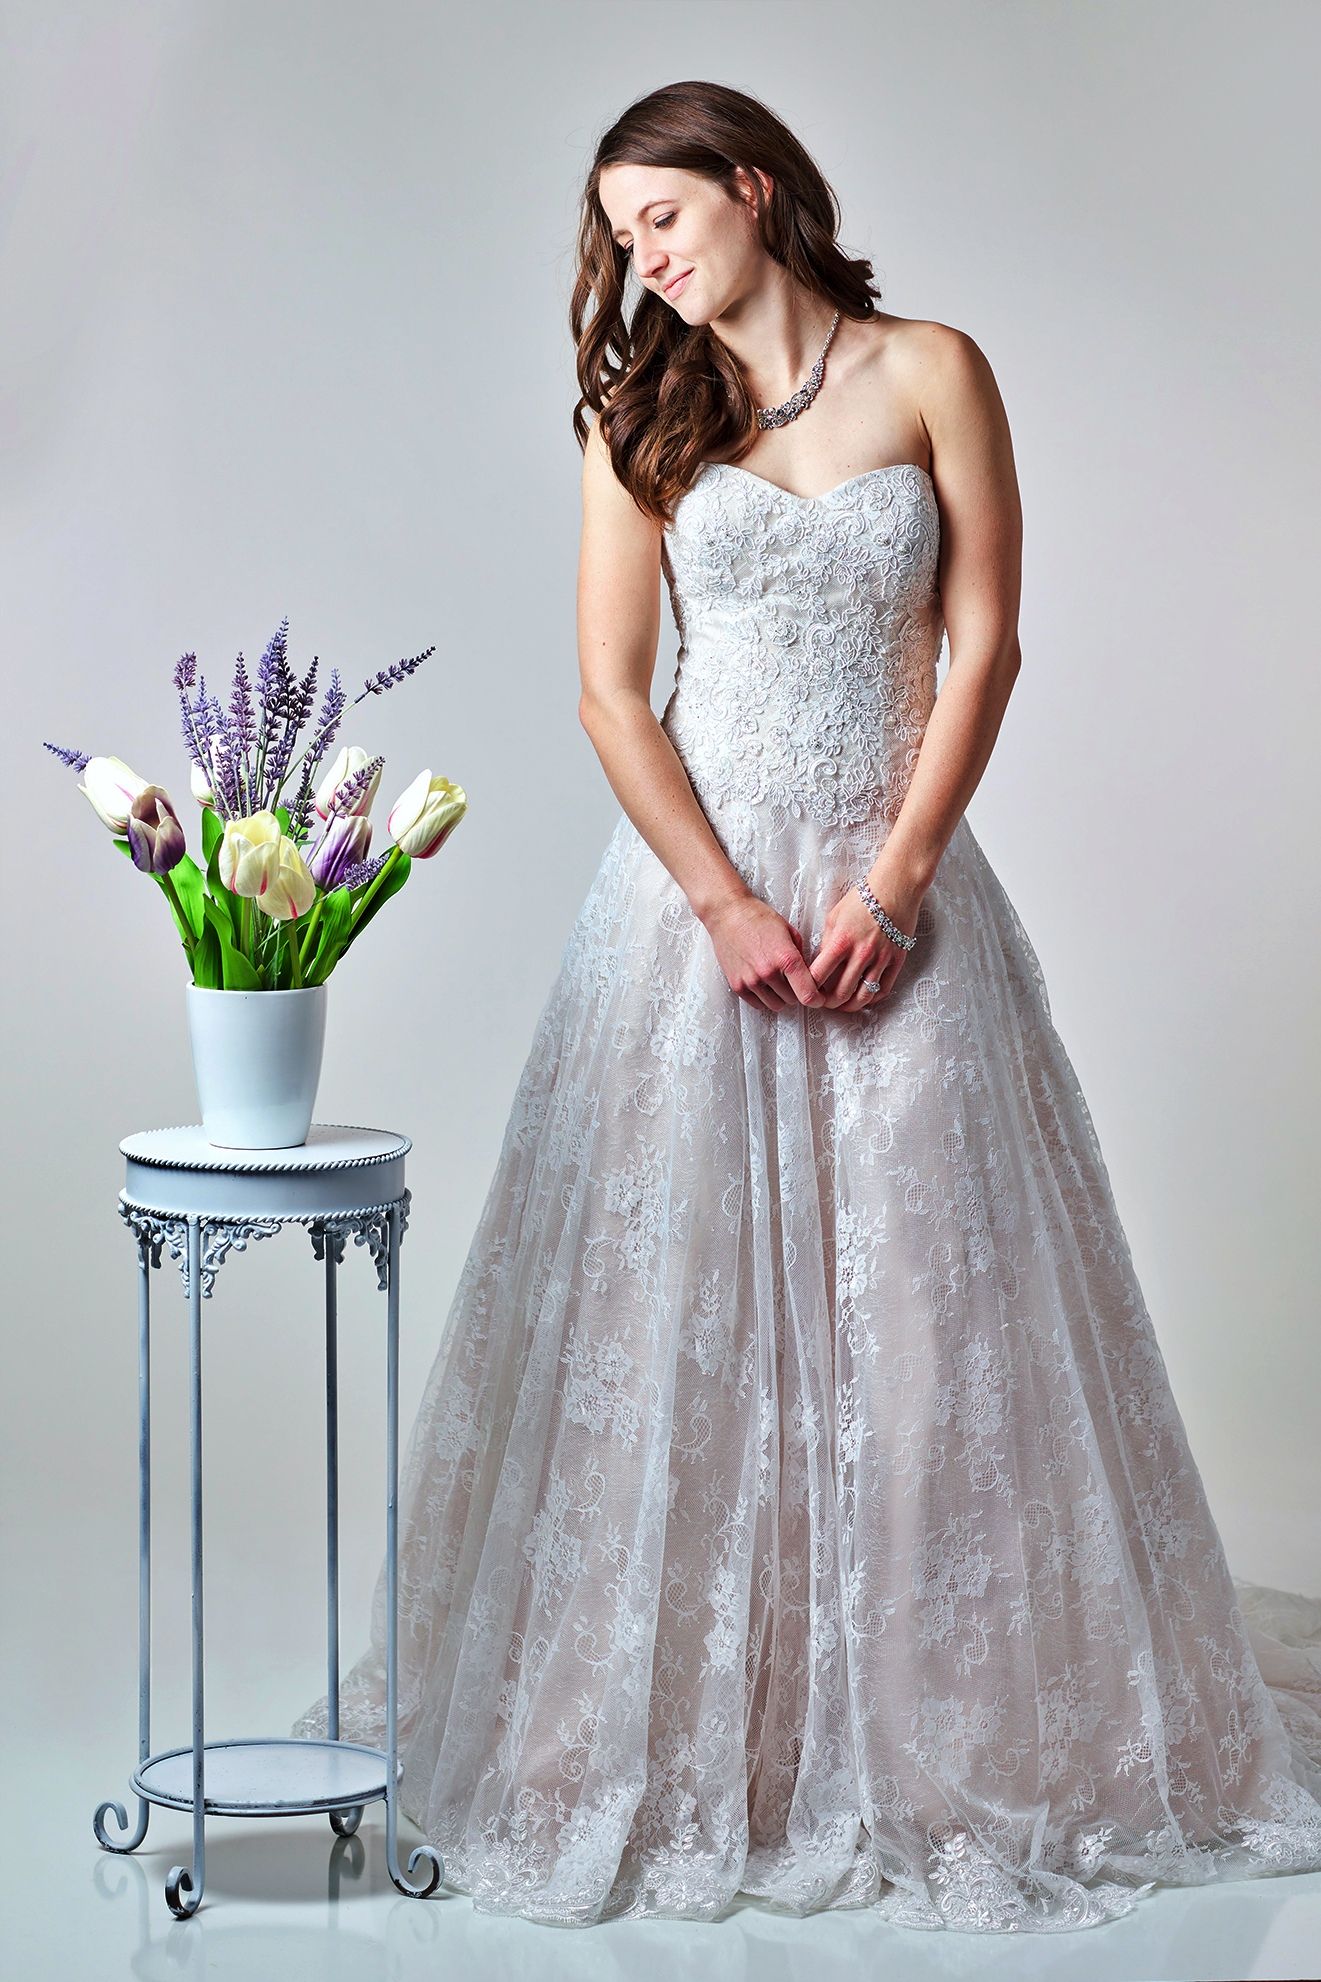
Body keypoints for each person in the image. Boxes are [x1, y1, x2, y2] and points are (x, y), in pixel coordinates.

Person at [292, 78, 1321, 1929]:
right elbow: (613, 692)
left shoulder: (932, 369)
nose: (643, 259)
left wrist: (899, 878)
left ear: (752, 187)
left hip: (891, 891)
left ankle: (942, 1725)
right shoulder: (638, 417)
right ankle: (715, 1725)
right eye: (620, 236)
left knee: (933, 1318)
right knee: (671, 1310)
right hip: (698, 916)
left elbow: (986, 638)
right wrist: (719, 901)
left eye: (663, 216)